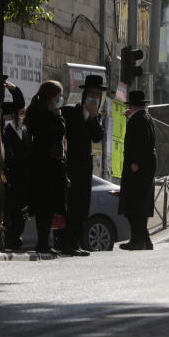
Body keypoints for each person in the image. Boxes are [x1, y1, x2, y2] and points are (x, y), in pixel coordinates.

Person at [60, 74, 106, 256]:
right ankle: (66, 242)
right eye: (92, 94)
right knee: (70, 204)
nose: (94, 98)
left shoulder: (96, 117)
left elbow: (97, 136)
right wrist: (85, 116)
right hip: (70, 165)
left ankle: (76, 242)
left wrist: (93, 118)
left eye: (97, 95)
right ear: (84, 94)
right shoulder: (71, 112)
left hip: (85, 167)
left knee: (83, 205)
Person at [25, 80, 69, 255]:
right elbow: (58, 131)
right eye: (58, 97)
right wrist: (57, 115)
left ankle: (46, 241)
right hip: (46, 165)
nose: (59, 100)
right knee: (45, 206)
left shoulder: (39, 112)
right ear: (51, 97)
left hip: (45, 165)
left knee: (49, 207)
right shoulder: (44, 114)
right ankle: (43, 242)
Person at [118, 90, 157, 250]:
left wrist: (135, 163)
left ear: (132, 105)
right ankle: (145, 240)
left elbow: (141, 142)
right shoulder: (144, 117)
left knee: (134, 205)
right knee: (140, 204)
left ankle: (137, 241)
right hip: (146, 168)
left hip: (138, 168)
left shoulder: (139, 120)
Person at [1, 78, 29, 251]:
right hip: (10, 175)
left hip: (23, 178)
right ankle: (9, 238)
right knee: (9, 209)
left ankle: (16, 238)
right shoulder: (6, 130)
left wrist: (14, 89)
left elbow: (19, 102)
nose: (20, 115)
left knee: (22, 211)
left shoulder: (25, 133)